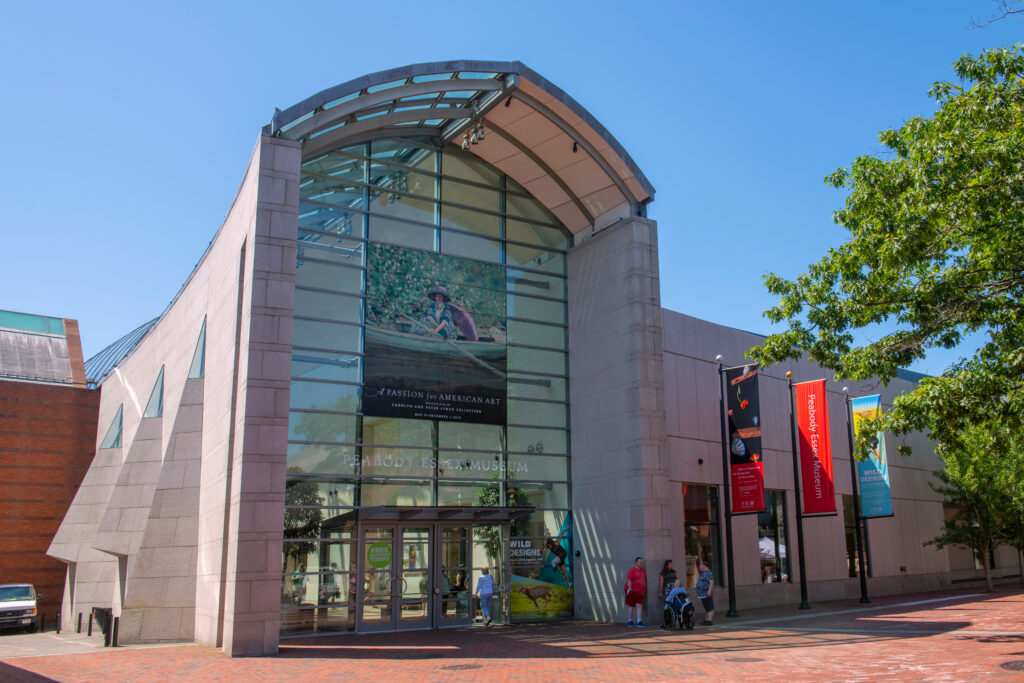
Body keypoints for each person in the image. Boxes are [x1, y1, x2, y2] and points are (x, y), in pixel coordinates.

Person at [624, 556, 647, 627]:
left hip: (641, 592)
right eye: (639, 562)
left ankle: (639, 621)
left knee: (639, 605)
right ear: (636, 562)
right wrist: (630, 589)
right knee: (631, 606)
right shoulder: (632, 570)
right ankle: (630, 621)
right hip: (633, 591)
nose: (641, 563)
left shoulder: (643, 571)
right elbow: (629, 580)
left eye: (642, 562)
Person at [696, 561, 715, 626]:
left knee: (710, 606)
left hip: (706, 593)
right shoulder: (704, 573)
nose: (699, 567)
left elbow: (711, 582)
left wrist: (709, 591)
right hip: (703, 594)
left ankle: (709, 620)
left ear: (704, 565)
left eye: (700, 565)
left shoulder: (708, 572)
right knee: (707, 607)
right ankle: (707, 619)